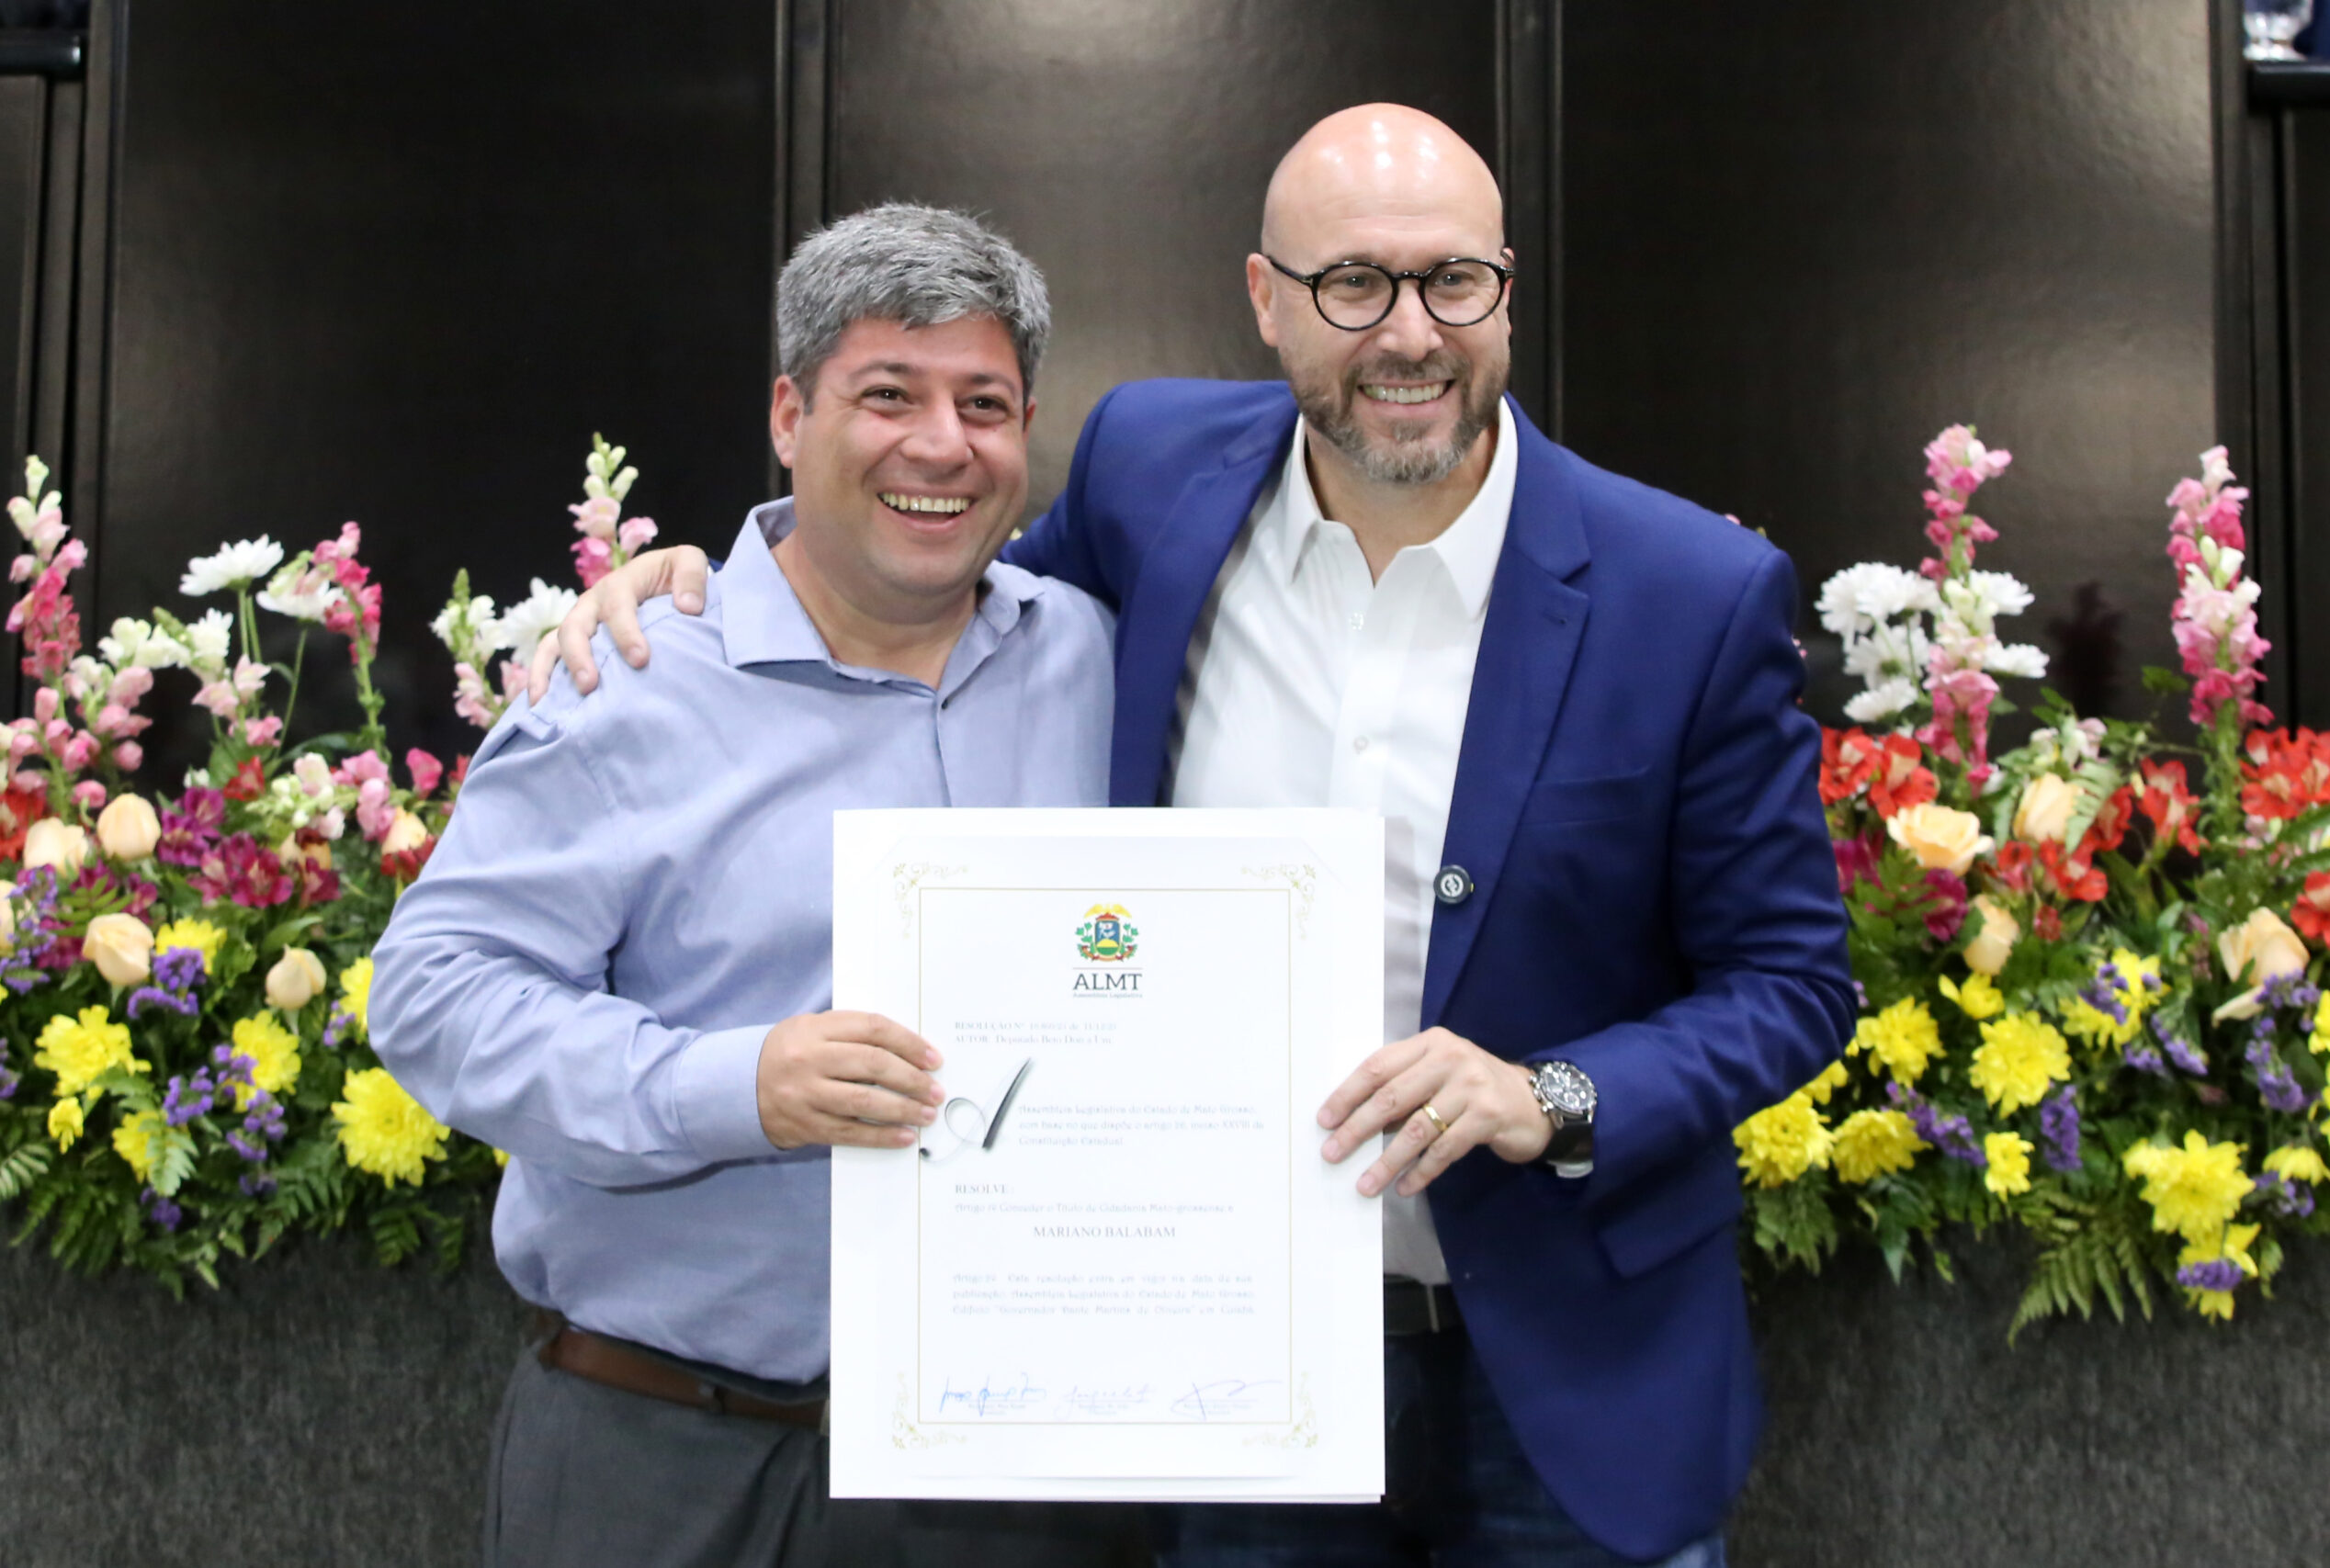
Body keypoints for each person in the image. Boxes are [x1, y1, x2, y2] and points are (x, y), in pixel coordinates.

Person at [546, 107, 1855, 1567]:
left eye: (1452, 281)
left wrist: (1551, 1093)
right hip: (1216, 1374)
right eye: (1351, 284)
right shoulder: (1151, 472)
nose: (1409, 333)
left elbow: (1792, 985)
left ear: (1506, 292)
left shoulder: (1691, 592)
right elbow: (936, 584)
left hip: (1570, 1377)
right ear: (1265, 299)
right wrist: (721, 579)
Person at [370, 204, 1126, 1568]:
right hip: (668, 1459)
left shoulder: (1095, 658)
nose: (941, 444)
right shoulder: (627, 679)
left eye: (983, 404)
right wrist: (734, 1086)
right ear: (790, 414)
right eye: (886, 395)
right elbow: (434, 997)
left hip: (1021, 1473)